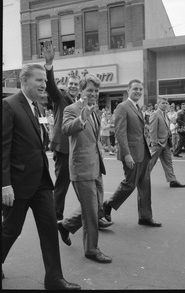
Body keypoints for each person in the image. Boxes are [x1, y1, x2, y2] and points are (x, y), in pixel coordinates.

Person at [2, 63, 81, 290]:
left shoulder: (36, 107)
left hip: (41, 183)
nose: (43, 85)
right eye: (39, 80)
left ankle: (54, 279)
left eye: (45, 81)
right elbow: (3, 148)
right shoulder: (8, 106)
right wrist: (4, 184)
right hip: (17, 185)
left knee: (48, 228)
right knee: (10, 230)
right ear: (24, 81)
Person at [43, 41, 111, 231]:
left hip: (82, 152)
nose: (73, 87)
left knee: (90, 190)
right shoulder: (61, 98)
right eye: (71, 84)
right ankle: (56, 218)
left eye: (75, 85)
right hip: (65, 148)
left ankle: (94, 216)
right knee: (62, 185)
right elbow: (51, 88)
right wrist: (49, 65)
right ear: (67, 86)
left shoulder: (86, 103)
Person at [60, 74, 112, 264]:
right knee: (90, 211)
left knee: (96, 206)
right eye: (90, 90)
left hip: (96, 165)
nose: (94, 94)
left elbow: (94, 138)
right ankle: (91, 249)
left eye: (96, 91)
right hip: (81, 168)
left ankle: (65, 225)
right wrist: (81, 118)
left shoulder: (95, 111)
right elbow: (66, 129)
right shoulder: (71, 109)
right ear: (81, 91)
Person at [103, 79, 161, 227]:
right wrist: (127, 154)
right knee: (129, 184)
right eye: (135, 89)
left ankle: (145, 217)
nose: (138, 92)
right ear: (128, 90)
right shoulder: (122, 107)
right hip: (131, 154)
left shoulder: (137, 107)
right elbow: (120, 133)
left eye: (140, 90)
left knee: (145, 185)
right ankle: (108, 204)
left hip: (143, 153)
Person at [148, 97, 185, 188]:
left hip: (166, 143)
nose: (165, 105)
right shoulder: (155, 114)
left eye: (166, 103)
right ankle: (141, 179)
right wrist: (154, 142)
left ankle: (172, 181)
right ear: (158, 104)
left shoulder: (165, 114)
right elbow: (152, 130)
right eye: (163, 103)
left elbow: (166, 127)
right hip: (158, 143)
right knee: (150, 162)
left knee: (168, 162)